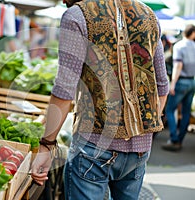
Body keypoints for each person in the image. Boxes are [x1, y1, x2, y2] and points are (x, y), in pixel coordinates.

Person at [31, 0, 169, 199]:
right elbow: (161, 86)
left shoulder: (77, 16)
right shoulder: (149, 15)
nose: (62, 1)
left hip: (92, 147)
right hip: (138, 151)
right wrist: (142, 132)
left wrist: (46, 145)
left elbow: (64, 89)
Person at [162, 24, 195, 152]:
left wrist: (173, 84)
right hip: (191, 81)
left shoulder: (179, 46)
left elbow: (178, 66)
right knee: (186, 112)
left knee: (170, 109)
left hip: (181, 81)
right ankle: (179, 139)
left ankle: (174, 139)